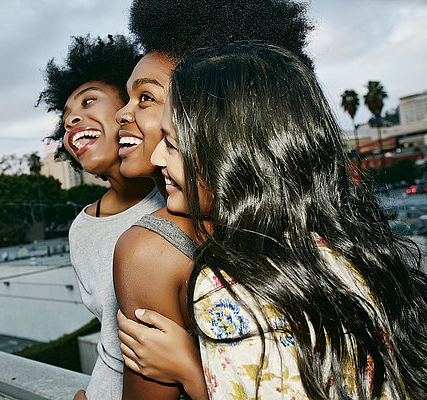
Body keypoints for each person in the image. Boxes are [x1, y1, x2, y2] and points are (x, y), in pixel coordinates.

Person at [118, 42, 427, 399]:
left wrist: (192, 371)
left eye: (172, 143)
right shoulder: (350, 251)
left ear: (230, 156)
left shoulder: (224, 289)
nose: (158, 156)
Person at [112, 0, 313, 398]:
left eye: (146, 98)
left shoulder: (147, 251)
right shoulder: (306, 228)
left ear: (212, 110)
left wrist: (193, 373)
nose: (122, 112)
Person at [38, 34, 165, 400]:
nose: (71, 120)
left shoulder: (180, 195)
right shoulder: (81, 230)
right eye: (64, 120)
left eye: (89, 100)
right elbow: (110, 342)